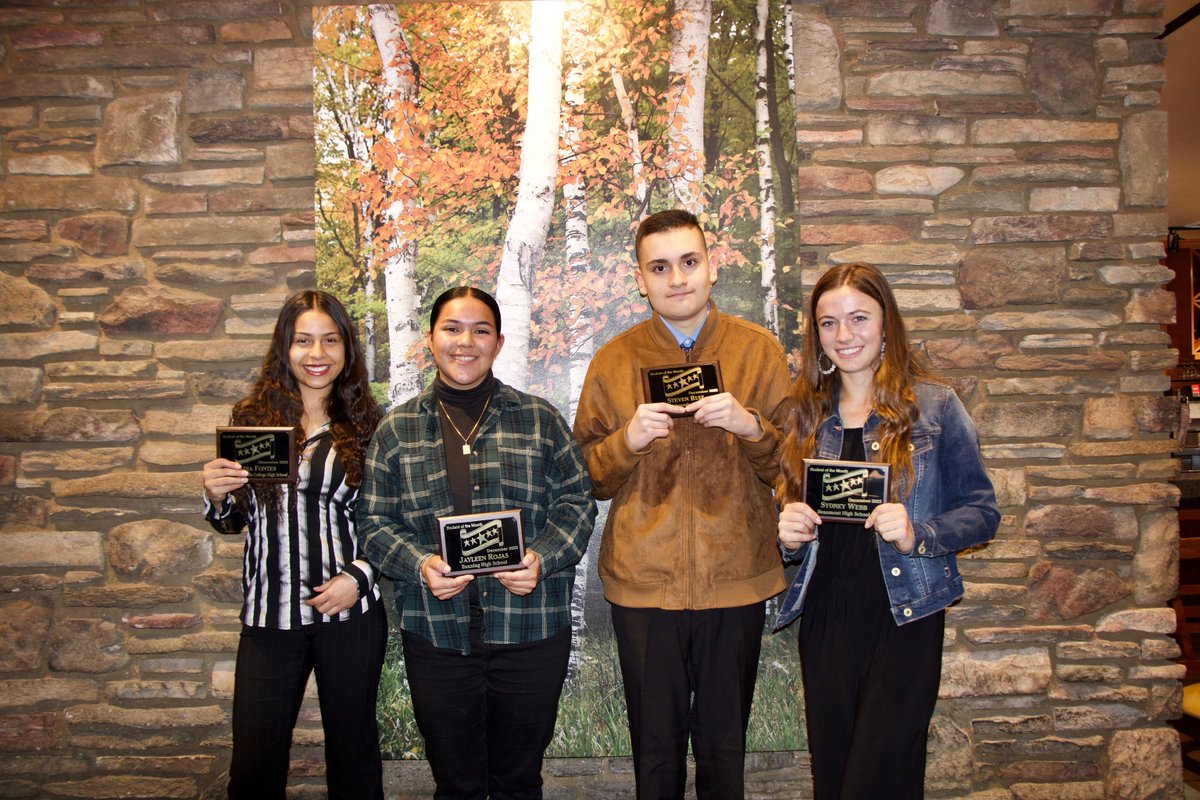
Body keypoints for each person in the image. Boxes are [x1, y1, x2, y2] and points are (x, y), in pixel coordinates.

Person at [573, 209, 793, 800]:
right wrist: (627, 442)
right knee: (655, 750)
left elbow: (794, 468)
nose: (677, 279)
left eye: (688, 263)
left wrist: (751, 429)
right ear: (640, 279)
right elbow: (584, 477)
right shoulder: (614, 361)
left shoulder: (758, 352)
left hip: (737, 578)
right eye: (660, 267)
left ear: (711, 267)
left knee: (725, 748)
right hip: (644, 583)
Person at [356, 286, 596, 800]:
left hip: (530, 633)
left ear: (499, 341)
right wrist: (420, 564)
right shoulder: (396, 430)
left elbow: (578, 504)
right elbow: (373, 523)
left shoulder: (540, 419)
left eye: (480, 330)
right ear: (430, 340)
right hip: (439, 639)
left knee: (518, 782)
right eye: (452, 328)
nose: (466, 341)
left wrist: (543, 558)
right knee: (457, 783)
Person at [773, 262, 999, 799]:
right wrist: (784, 536)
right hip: (825, 618)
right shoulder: (801, 415)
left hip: (905, 616)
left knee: (879, 777)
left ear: (886, 324)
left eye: (858, 319)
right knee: (834, 773)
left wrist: (917, 532)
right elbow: (785, 526)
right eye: (829, 323)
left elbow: (982, 512)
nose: (844, 336)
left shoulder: (935, 407)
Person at [201, 290, 386, 800]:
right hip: (270, 616)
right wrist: (217, 496)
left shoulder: (371, 425)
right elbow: (235, 519)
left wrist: (359, 577)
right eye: (303, 340)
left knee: (354, 758)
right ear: (285, 347)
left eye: (330, 340)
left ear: (347, 350)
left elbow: (390, 520)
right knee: (255, 764)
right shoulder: (252, 419)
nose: (317, 353)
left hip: (349, 614)